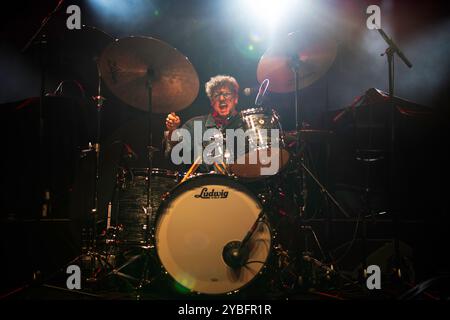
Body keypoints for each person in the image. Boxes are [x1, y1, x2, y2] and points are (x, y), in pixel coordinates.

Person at [164, 75, 241, 173]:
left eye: (227, 94)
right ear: (211, 101)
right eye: (216, 95)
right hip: (204, 186)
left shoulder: (245, 125)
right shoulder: (194, 125)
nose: (221, 98)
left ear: (236, 98)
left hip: (240, 185)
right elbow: (173, 156)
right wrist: (172, 131)